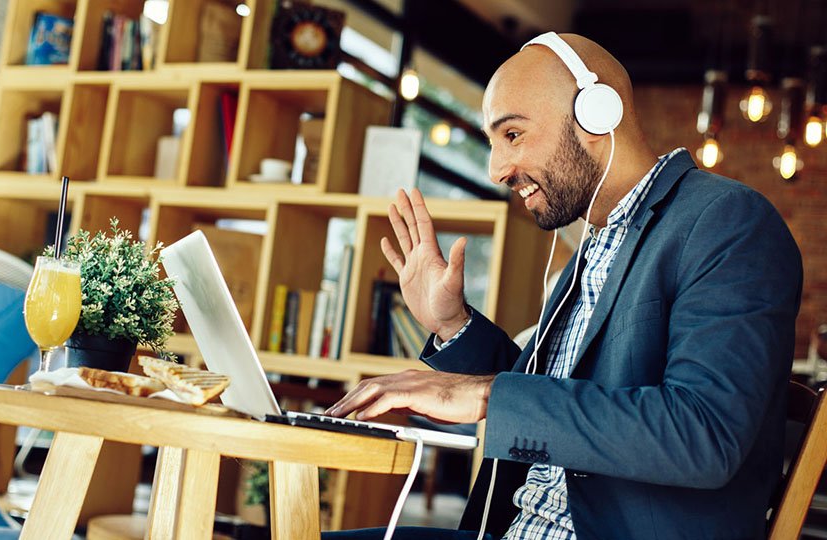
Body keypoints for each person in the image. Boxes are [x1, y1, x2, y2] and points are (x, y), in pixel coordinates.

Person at [325, 32, 804, 539]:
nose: (497, 170)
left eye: (512, 135)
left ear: (598, 114)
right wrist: (452, 325)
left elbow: (704, 435)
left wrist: (488, 395)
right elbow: (553, 398)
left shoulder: (726, 222)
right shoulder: (595, 244)